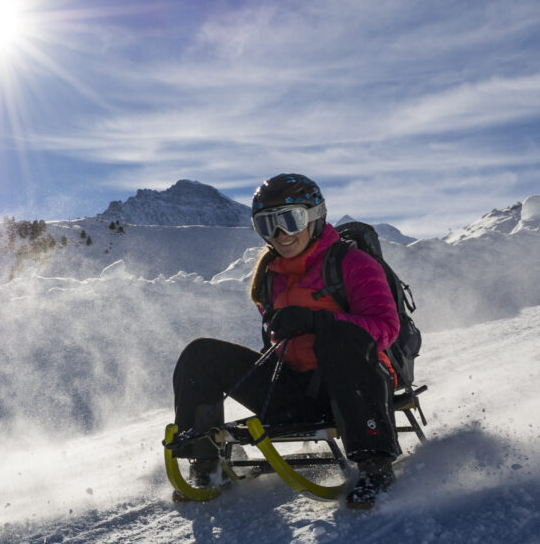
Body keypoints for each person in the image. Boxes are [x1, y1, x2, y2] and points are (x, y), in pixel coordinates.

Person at [171, 173, 401, 508]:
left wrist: (319, 321)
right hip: (294, 390)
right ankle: (206, 464)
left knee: (337, 337)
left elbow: (386, 328)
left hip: (355, 391)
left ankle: (375, 467)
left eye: (290, 220)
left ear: (315, 217)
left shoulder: (352, 263)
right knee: (200, 355)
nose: (280, 234)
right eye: (268, 225)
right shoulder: (271, 275)